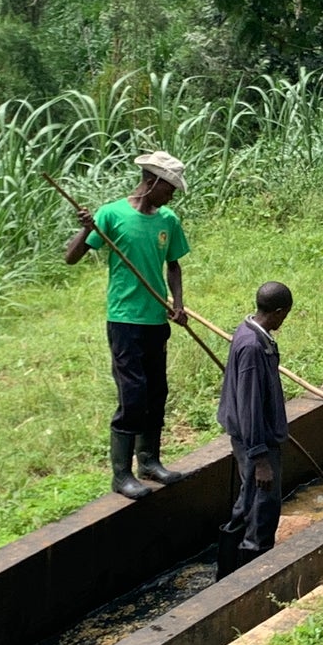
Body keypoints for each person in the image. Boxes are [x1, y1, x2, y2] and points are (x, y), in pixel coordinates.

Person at [64, 151, 190, 499]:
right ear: (152, 182)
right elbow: (71, 258)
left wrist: (178, 306)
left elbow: (174, 266)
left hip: (154, 320)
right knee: (132, 397)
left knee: (156, 393)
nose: (172, 195)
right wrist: (85, 230)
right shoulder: (111, 215)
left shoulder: (168, 219)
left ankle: (148, 461)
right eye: (169, 188)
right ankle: (121, 475)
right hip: (124, 321)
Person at [216, 280, 293, 573]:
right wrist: (260, 456)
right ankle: (252, 570)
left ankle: (227, 571)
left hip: (256, 434)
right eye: (284, 314)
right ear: (276, 311)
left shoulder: (251, 331)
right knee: (263, 506)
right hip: (254, 440)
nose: (284, 320)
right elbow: (249, 405)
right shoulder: (251, 348)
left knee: (248, 500)